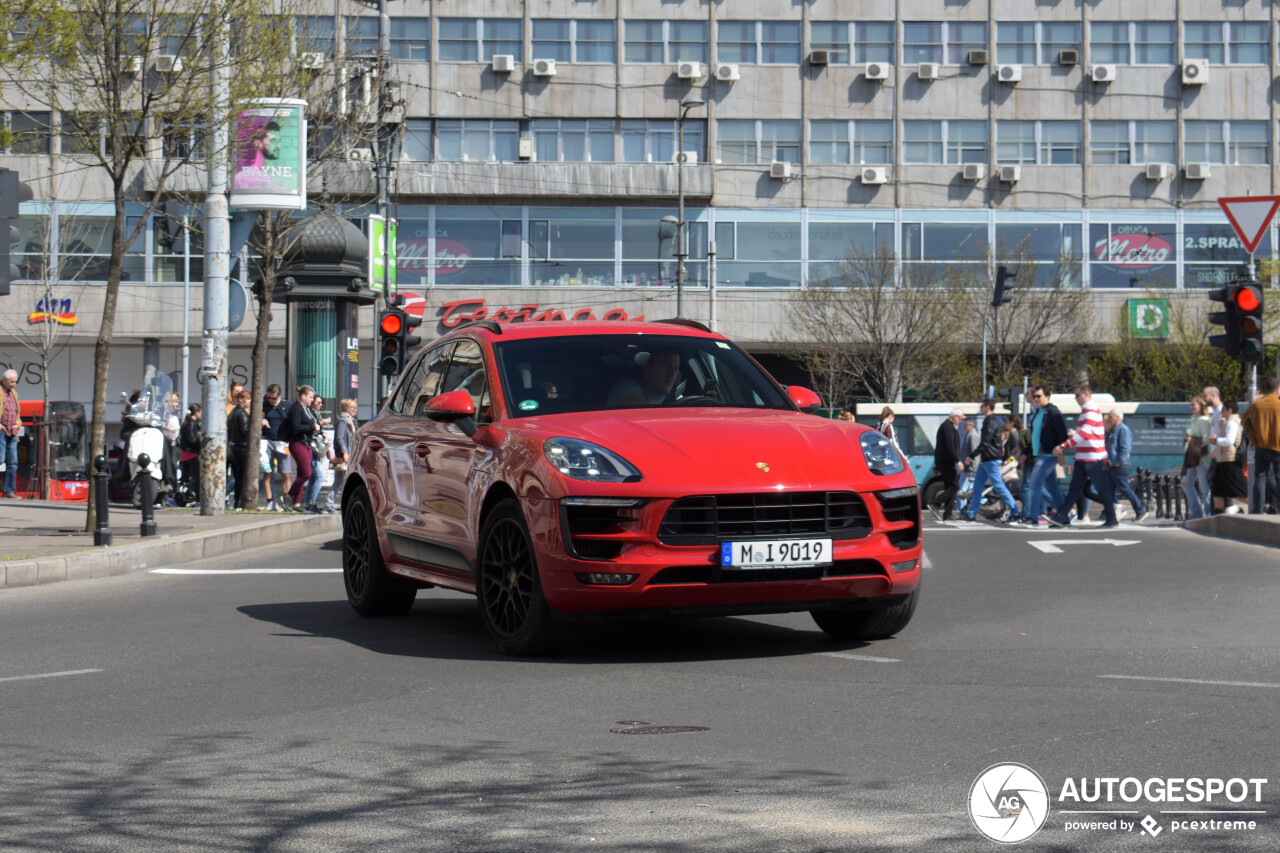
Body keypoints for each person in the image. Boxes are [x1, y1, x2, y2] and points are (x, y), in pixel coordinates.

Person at [1049, 383, 1118, 528]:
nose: (1075, 398)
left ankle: (1112, 518)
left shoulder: (1091, 411)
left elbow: (1085, 434)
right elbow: (1085, 434)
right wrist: (1074, 436)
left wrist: (1063, 446)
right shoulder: (1087, 411)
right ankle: (1062, 516)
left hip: (1092, 458)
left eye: (1077, 395)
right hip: (1085, 457)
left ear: (1086, 394)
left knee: (1099, 488)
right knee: (1076, 489)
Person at [1017, 386, 1068, 526]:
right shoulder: (1039, 412)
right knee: (1052, 487)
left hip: (1049, 454)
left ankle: (1033, 517)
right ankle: (1064, 516)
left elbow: (1062, 434)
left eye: (1039, 396)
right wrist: (1025, 454)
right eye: (1035, 396)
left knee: (1033, 483)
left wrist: (1061, 452)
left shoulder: (1053, 412)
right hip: (1040, 454)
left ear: (1048, 396)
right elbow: (1035, 437)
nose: (1036, 399)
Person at [962, 399, 1019, 524]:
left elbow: (986, 442)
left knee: (999, 486)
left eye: (981, 406)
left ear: (988, 407)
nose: (980, 409)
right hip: (986, 459)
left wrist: (972, 455)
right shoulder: (989, 421)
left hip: (992, 459)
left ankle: (1015, 512)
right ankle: (971, 513)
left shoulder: (991, 421)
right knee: (977, 487)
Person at [1241, 377, 1280, 514]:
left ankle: (1258, 509)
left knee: (1260, 478)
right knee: (1278, 477)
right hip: (1277, 445)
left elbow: (1244, 421)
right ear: (1277, 390)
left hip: (1260, 445)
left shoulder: (1256, 405)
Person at [1105, 409, 1147, 522]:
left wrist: (1119, 461)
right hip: (1112, 464)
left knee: (1124, 489)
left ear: (1118, 418)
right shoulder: (1113, 430)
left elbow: (1125, 447)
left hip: (1120, 465)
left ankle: (1140, 510)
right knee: (1108, 489)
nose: (1108, 418)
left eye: (1111, 416)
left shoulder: (1123, 430)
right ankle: (1110, 512)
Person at [284, 385, 320, 513]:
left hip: (307, 443)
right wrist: (311, 427)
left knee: (302, 473)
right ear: (303, 396)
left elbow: (310, 424)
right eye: (311, 397)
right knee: (306, 473)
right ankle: (289, 496)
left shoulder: (307, 409)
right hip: (297, 443)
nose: (312, 399)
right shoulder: (296, 409)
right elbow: (296, 426)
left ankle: (297, 503)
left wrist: (315, 428)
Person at [607, 349, 681, 406]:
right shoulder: (625, 387)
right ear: (647, 367)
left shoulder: (679, 397)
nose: (672, 373)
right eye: (666, 366)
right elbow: (646, 416)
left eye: (676, 368)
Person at [1210, 398, 1247, 514]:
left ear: (1230, 410)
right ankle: (1218, 513)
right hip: (1223, 461)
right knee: (1217, 489)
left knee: (1238, 491)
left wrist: (1216, 439)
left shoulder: (1231, 423)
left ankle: (1258, 507)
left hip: (1230, 461)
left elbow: (1229, 441)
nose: (1221, 413)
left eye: (1223, 410)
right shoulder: (1231, 422)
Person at [928, 408, 964, 521]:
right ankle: (935, 503)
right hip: (947, 461)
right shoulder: (948, 427)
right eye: (960, 418)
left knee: (950, 486)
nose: (961, 421)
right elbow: (949, 446)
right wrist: (957, 460)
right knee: (955, 486)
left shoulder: (947, 426)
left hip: (944, 461)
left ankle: (948, 514)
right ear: (954, 417)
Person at [1181, 396, 1213, 520]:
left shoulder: (1204, 420)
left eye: (1194, 404)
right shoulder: (1195, 420)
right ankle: (1196, 512)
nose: (1191, 407)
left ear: (1201, 406)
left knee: (1205, 487)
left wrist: (1191, 440)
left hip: (1202, 458)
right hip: (1193, 458)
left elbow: (1206, 440)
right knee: (1186, 482)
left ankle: (1208, 513)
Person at [261, 384, 292, 511]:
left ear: (279, 396)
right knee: (268, 472)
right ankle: (270, 501)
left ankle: (286, 499)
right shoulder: (264, 405)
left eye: (273, 398)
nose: (271, 401)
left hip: (282, 442)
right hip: (268, 440)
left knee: (285, 473)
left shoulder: (286, 405)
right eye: (269, 398)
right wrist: (262, 420)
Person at [331, 398, 357, 513]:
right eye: (353, 408)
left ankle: (331, 503)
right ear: (347, 408)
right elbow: (339, 438)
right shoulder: (343, 421)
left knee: (340, 481)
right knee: (341, 481)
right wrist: (344, 452)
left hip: (347, 453)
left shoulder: (348, 420)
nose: (355, 410)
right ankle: (330, 504)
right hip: (344, 454)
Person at [227, 389, 251, 511]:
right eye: (248, 399)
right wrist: (257, 424)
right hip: (241, 446)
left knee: (238, 476)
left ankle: (237, 501)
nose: (250, 402)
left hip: (234, 446)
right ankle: (239, 501)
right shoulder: (241, 413)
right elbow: (246, 430)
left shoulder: (234, 412)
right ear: (241, 400)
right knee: (241, 476)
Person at [311, 395, 335, 513]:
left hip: (316, 447)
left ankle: (309, 502)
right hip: (312, 446)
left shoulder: (315, 413)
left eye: (321, 403)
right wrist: (322, 424)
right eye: (318, 403)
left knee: (313, 476)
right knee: (319, 476)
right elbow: (313, 428)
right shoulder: (311, 413)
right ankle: (312, 502)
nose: (320, 405)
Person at [0, 369, 21, 499]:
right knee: (0, 459)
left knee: (13, 462)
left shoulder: (13, 393)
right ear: (5, 380)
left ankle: (9, 491)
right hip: (1, 431)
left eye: (15, 381)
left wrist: (17, 424)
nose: (14, 384)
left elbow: (17, 413)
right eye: (12, 382)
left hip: (12, 431)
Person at [179, 403, 202, 504]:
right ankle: (198, 500)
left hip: (186, 453)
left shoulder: (187, 422)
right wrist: (199, 445)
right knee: (197, 477)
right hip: (192, 453)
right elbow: (191, 438)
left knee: (185, 477)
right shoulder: (192, 423)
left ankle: (177, 497)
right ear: (197, 412)